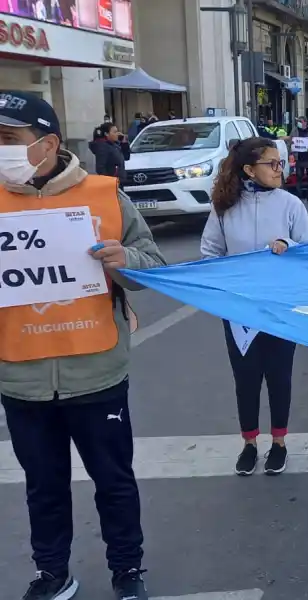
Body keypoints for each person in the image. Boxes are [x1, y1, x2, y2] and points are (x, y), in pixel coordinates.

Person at [0, 91, 165, 600]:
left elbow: (154, 268)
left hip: (96, 373)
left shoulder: (105, 195)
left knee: (114, 483)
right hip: (21, 378)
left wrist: (126, 260)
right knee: (42, 488)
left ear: (47, 144)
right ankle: (53, 574)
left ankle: (128, 572)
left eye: (8, 140)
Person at [200, 137, 308, 477]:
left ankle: (279, 443)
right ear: (249, 169)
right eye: (272, 164)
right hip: (239, 311)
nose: (281, 169)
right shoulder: (224, 207)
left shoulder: (291, 205)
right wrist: (228, 283)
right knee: (246, 379)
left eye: (282, 163)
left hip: (279, 307)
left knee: (279, 377)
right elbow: (209, 253)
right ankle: (249, 443)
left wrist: (287, 244)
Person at [285, 116, 308, 203]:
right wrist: (290, 153)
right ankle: (299, 198)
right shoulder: (294, 131)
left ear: (305, 122)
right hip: (299, 159)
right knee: (299, 178)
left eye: (300, 121)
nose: (299, 123)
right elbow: (289, 144)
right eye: (298, 121)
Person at [90, 122, 130, 187]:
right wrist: (109, 181)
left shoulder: (115, 145)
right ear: (106, 134)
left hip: (119, 181)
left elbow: (126, 157)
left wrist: (124, 143)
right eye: (114, 132)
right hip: (112, 183)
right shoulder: (103, 147)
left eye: (117, 131)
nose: (117, 134)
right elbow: (100, 168)